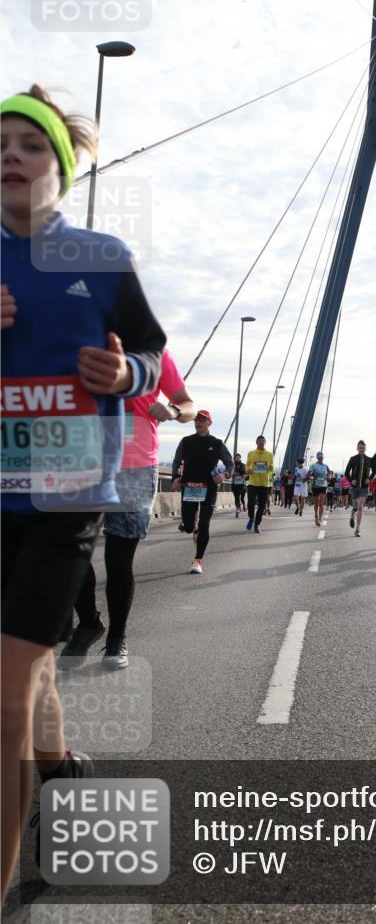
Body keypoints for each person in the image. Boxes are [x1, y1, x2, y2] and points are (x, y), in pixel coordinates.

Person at [1, 85, 166, 902]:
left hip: (66, 501)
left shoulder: (101, 257)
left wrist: (124, 372)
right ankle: (60, 769)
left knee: (3, 698)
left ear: (61, 168)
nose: (8, 156)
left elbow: (149, 353)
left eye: (28, 145)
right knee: (29, 678)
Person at [59, 349, 194, 670]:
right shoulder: (78, 339)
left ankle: (117, 638)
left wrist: (174, 411)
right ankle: (89, 622)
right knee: (70, 550)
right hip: (80, 461)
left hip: (134, 466)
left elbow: (188, 405)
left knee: (118, 560)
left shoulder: (154, 353)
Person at [171, 410, 232, 573]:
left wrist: (224, 474)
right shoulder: (186, 441)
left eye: (202, 420)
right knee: (190, 527)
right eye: (196, 420)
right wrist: (175, 477)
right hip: (189, 486)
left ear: (209, 423)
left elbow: (230, 464)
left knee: (205, 524)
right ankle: (193, 527)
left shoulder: (217, 443)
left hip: (209, 487)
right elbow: (177, 461)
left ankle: (198, 561)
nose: (198, 422)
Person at [344, 440, 376, 536]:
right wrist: (351, 480)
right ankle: (352, 516)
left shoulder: (369, 459)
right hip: (354, 487)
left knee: (360, 506)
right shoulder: (353, 459)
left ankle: (357, 529)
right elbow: (347, 472)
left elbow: (374, 471)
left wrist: (369, 479)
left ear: (365, 448)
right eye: (360, 448)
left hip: (364, 487)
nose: (361, 449)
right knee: (355, 506)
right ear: (357, 448)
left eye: (363, 448)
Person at [245, 435, 274, 533]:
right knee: (250, 503)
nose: (261, 442)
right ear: (256, 442)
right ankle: (251, 518)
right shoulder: (251, 453)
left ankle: (257, 524)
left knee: (262, 506)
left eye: (263, 441)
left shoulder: (269, 454)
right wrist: (248, 470)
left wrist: (271, 468)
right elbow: (247, 465)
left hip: (264, 484)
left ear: (265, 443)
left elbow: (271, 470)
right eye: (259, 441)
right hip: (253, 483)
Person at [308, 452, 329, 526]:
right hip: (315, 486)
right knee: (316, 503)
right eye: (319, 457)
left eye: (322, 457)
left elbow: (329, 473)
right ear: (317, 458)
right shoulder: (313, 465)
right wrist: (311, 477)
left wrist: (328, 477)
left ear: (323, 457)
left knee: (321, 503)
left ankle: (319, 519)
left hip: (323, 485)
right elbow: (309, 474)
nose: (321, 458)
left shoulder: (325, 466)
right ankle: (316, 516)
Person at [230, 453, 247, 518]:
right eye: (236, 457)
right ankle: (238, 508)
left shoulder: (243, 465)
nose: (237, 458)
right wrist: (231, 474)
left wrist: (240, 474)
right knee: (236, 497)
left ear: (240, 458)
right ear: (234, 458)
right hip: (234, 484)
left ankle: (238, 509)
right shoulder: (232, 465)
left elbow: (245, 473)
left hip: (241, 484)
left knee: (239, 496)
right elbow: (230, 472)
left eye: (238, 457)